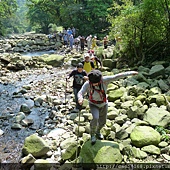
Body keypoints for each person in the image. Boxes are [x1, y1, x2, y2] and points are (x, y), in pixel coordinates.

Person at [77, 69, 138, 144]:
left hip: (104, 104)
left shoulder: (105, 80)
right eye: (93, 83)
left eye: (96, 83)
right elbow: (81, 92)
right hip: (93, 104)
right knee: (95, 118)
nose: (95, 84)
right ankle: (92, 134)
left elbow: (117, 76)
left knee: (103, 122)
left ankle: (98, 132)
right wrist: (80, 98)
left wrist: (131, 73)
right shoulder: (88, 83)